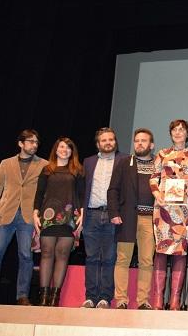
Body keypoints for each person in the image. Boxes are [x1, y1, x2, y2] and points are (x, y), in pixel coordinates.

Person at [0, 130, 48, 305]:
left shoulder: (44, 165)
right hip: (5, 214)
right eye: (31, 141)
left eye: (37, 142)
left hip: (28, 216)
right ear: (21, 144)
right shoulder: (6, 163)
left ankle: (22, 296)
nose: (34, 145)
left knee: (25, 255)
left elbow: (46, 194)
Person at [150, 119, 188, 310]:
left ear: (187, 133)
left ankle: (174, 301)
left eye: (182, 130)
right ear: (170, 133)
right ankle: (157, 300)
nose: (178, 132)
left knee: (180, 253)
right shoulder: (162, 154)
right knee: (161, 251)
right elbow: (154, 177)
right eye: (174, 130)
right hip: (163, 207)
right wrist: (157, 194)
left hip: (185, 209)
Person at [107, 128, 156, 310]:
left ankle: (143, 301)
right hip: (127, 219)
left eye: (144, 141)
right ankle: (121, 300)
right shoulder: (124, 163)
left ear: (151, 145)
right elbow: (112, 190)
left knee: (146, 261)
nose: (139, 144)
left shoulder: (159, 164)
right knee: (123, 259)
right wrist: (114, 213)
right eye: (137, 141)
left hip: (150, 220)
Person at [33, 137, 85, 307]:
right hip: (47, 216)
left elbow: (81, 194)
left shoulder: (77, 170)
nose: (64, 150)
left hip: (69, 217)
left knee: (62, 255)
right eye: (61, 147)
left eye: (68, 148)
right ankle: (43, 297)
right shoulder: (47, 169)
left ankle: (55, 298)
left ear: (72, 152)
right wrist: (35, 214)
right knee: (47, 253)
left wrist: (82, 214)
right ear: (56, 150)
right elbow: (39, 193)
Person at [81, 127, 127, 309]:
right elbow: (81, 188)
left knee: (109, 258)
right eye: (104, 140)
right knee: (91, 257)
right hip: (91, 214)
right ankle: (90, 296)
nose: (108, 142)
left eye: (111, 139)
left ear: (115, 141)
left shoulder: (125, 160)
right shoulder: (88, 162)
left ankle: (105, 298)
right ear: (98, 144)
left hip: (113, 214)